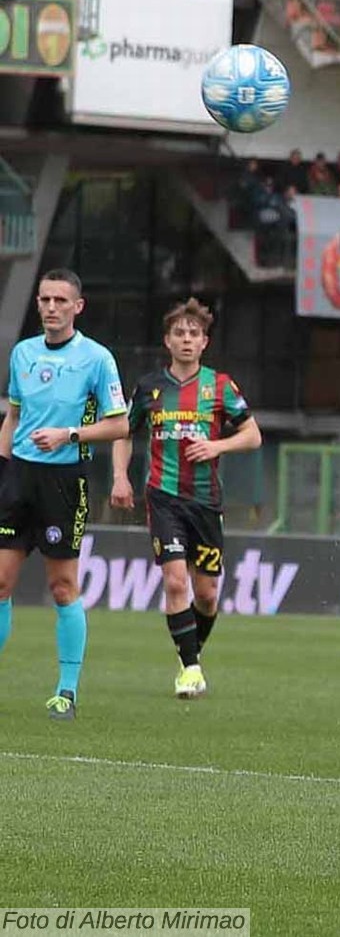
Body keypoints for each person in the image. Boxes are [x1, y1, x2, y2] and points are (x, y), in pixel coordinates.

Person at [110, 298, 261, 700]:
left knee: (207, 594)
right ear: (168, 340)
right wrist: (120, 477)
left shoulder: (220, 386)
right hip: (163, 497)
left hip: (207, 502)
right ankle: (192, 669)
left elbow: (253, 435)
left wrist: (216, 447)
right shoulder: (148, 387)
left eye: (194, 334)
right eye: (180, 333)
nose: (187, 339)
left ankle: (188, 653)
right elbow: (124, 432)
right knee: (175, 582)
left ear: (205, 342)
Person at [0, 269, 130, 721]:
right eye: (45, 299)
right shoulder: (23, 354)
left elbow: (119, 424)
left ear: (78, 306)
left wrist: (69, 434)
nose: (51, 307)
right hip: (18, 479)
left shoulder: (97, 359)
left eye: (60, 300)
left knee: (61, 587)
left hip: (64, 482)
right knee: (0, 583)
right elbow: (12, 417)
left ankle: (66, 692)